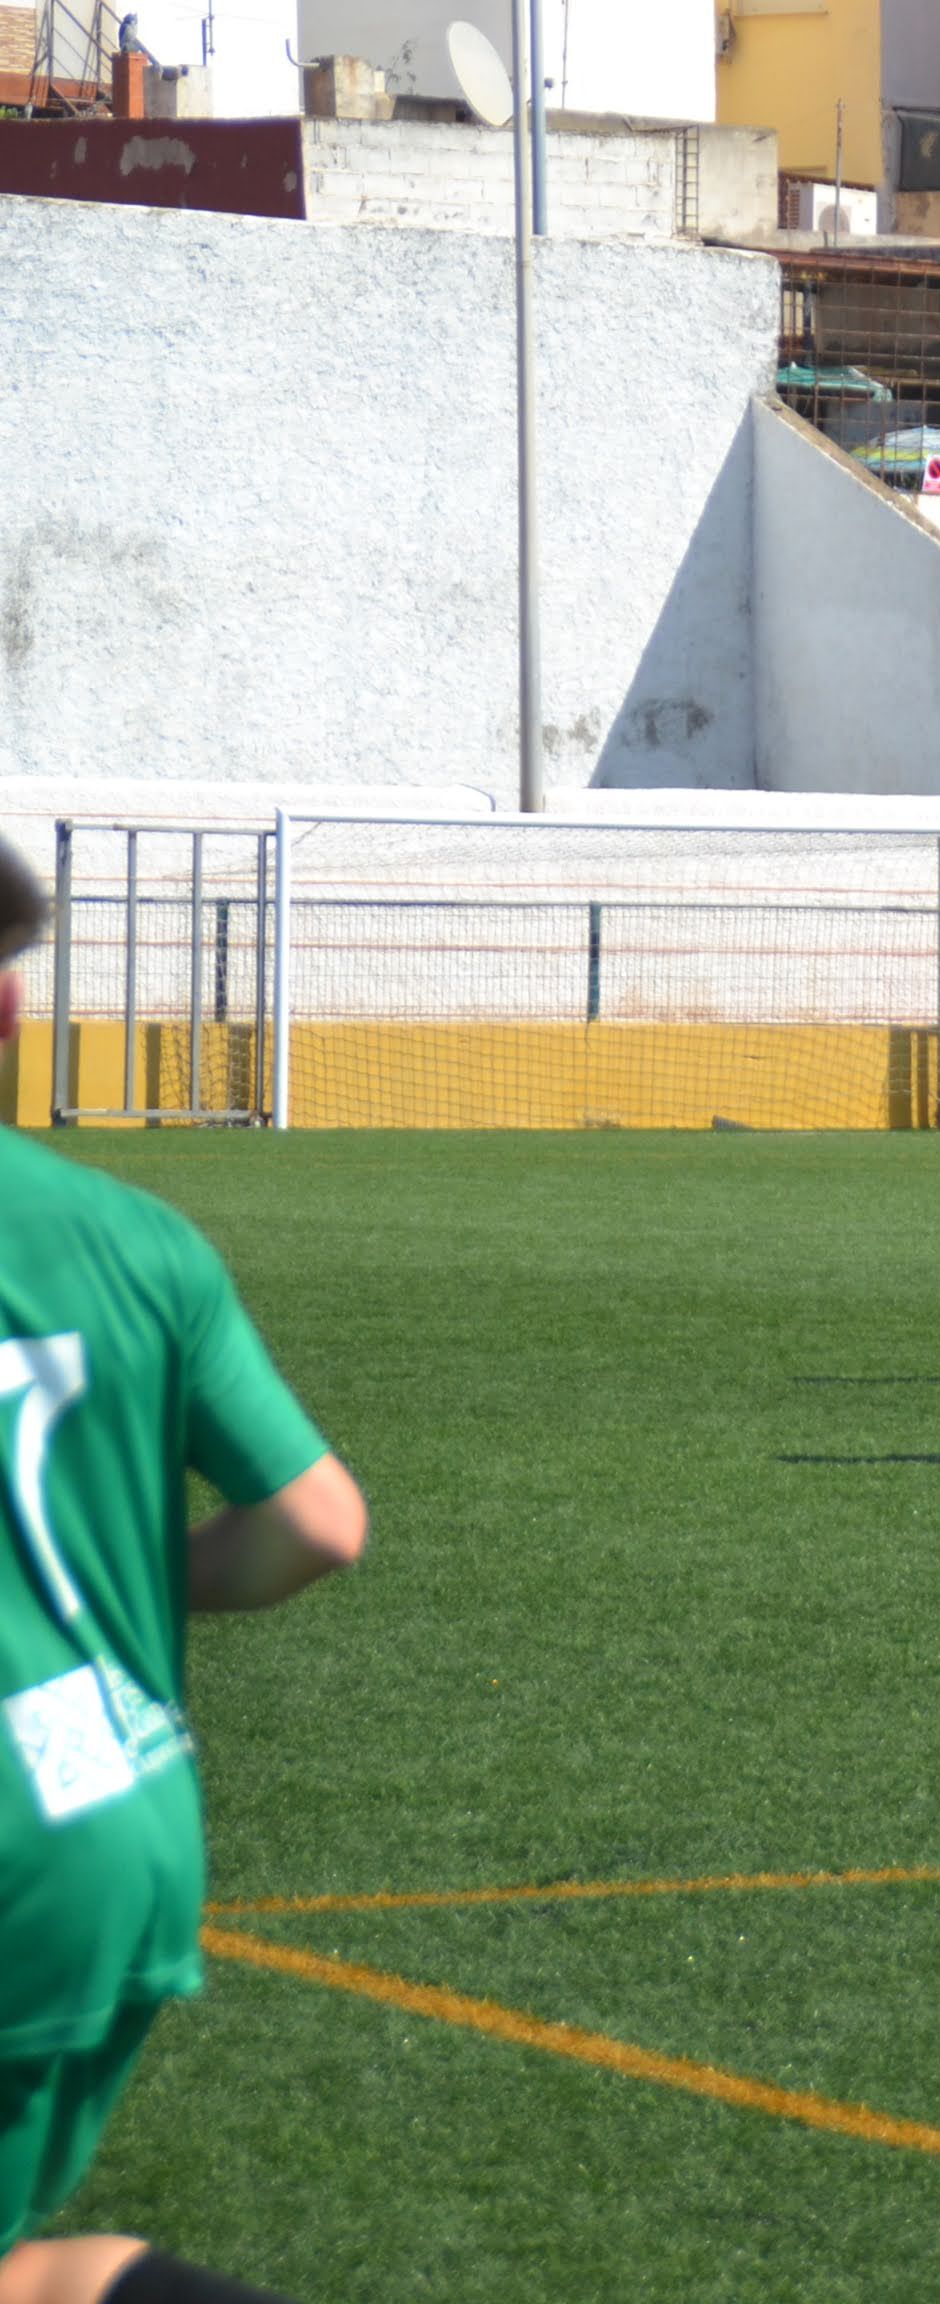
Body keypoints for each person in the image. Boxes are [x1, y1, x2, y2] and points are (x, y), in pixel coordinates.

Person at [0, 835, 370, 2304]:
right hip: (111, 1822)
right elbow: (319, 1524)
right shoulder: (135, 1240)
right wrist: (113, 1592)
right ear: (14, 1015)